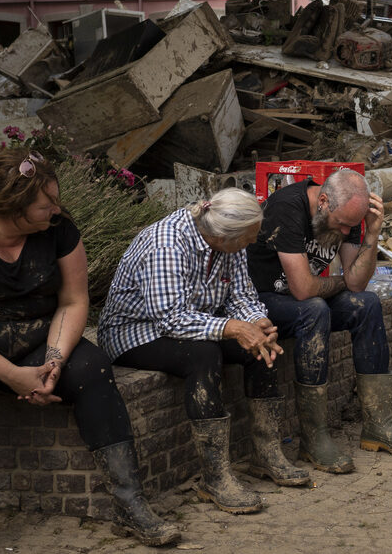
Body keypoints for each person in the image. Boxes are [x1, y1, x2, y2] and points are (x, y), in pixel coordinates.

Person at [0, 149, 179, 553]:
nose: (57, 210)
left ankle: (130, 503)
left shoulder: (59, 230)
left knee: (93, 366)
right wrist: (12, 375)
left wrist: (54, 363)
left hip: (31, 338)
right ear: (13, 209)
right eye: (47, 204)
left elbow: (74, 302)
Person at [98, 188, 309, 515]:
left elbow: (241, 297)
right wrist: (235, 328)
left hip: (194, 324)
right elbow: (171, 318)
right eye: (248, 238)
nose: (252, 243)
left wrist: (257, 322)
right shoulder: (166, 245)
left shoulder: (230, 242)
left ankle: (266, 454)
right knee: (204, 354)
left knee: (263, 347)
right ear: (224, 236)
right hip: (136, 332)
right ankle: (215, 476)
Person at [246, 169, 392, 475]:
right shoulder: (288, 206)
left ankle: (378, 425)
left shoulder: (351, 216)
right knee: (314, 308)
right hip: (261, 300)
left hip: (307, 297)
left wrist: (371, 233)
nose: (345, 232)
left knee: (366, 304)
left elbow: (356, 283)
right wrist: (339, 283)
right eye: (341, 224)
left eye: (351, 227)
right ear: (324, 201)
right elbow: (303, 289)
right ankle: (314, 438)